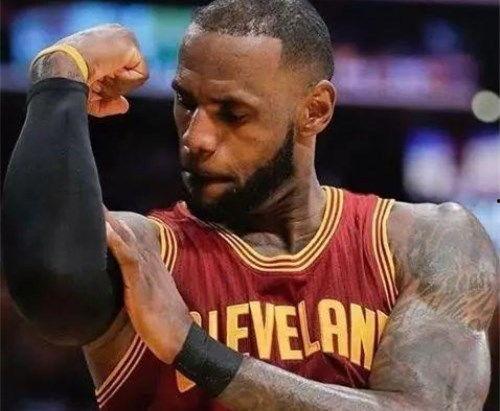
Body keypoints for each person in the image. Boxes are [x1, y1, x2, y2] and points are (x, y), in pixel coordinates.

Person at [2, 1, 498, 410]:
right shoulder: (148, 254)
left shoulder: (425, 243)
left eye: (233, 113)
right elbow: (49, 286)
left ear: (315, 110)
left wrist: (192, 348)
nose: (195, 138)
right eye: (186, 102)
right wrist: (59, 75)